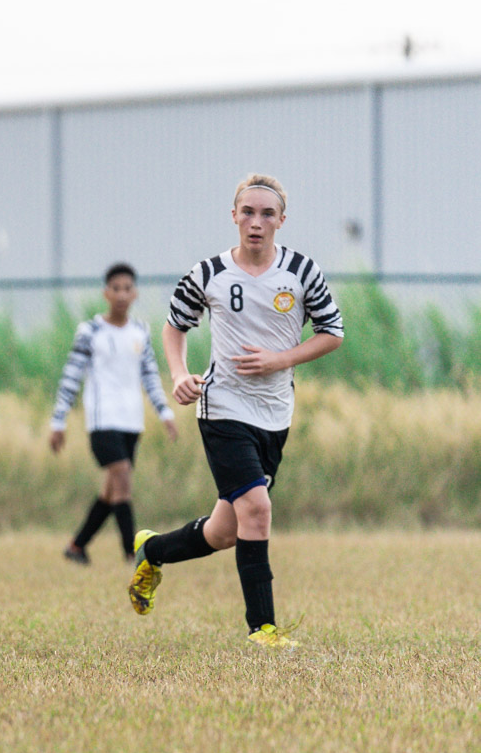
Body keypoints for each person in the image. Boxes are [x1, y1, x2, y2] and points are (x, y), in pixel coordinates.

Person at [126, 174, 343, 648]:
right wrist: (180, 374)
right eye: (248, 212)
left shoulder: (303, 272)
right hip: (221, 406)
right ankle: (262, 629)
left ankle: (153, 550)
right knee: (258, 510)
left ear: (281, 221)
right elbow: (173, 327)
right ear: (234, 216)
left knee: (227, 530)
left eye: (267, 214)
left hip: (275, 414)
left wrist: (280, 359)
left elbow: (332, 332)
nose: (256, 222)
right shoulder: (209, 273)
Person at [50, 263, 177, 564]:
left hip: (131, 422)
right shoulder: (90, 331)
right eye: (115, 288)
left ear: (135, 293)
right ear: (106, 293)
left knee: (112, 490)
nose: (121, 294)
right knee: (121, 477)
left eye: (127, 288)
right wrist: (58, 420)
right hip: (102, 421)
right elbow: (71, 377)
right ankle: (131, 552)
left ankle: (77, 546)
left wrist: (165, 412)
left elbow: (149, 376)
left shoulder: (140, 332)